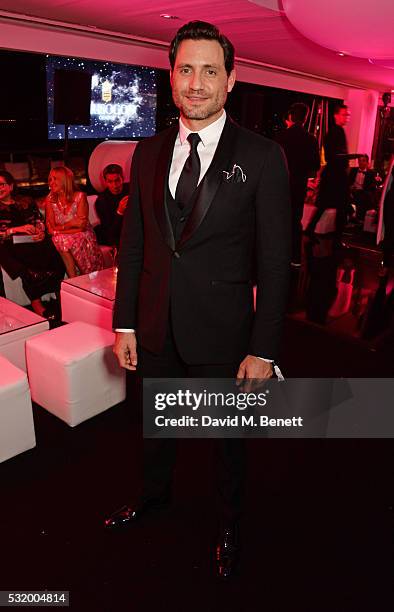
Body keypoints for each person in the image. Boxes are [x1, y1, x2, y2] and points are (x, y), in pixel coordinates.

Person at [105, 20, 291, 579]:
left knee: (227, 442)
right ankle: (154, 497)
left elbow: (276, 264)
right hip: (157, 327)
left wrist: (265, 348)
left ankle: (229, 522)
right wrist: (125, 324)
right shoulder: (147, 151)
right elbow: (134, 244)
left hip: (224, 336)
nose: (197, 82)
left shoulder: (261, 157)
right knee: (156, 426)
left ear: (231, 79)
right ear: (171, 75)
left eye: (211, 70)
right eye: (186, 69)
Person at [0, 170, 65, 317]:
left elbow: (38, 220)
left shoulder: (26, 201)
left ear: (10, 186)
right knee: (25, 265)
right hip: (10, 243)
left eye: (2, 184)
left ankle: (59, 295)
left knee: (53, 248)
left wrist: (40, 231)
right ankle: (38, 306)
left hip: (32, 239)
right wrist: (15, 229)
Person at [305, 104, 357, 241]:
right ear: (336, 115)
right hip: (335, 176)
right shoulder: (335, 132)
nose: (347, 117)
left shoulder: (336, 131)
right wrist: (351, 157)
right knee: (339, 206)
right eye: (344, 114)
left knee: (328, 205)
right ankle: (336, 239)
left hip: (333, 175)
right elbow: (332, 156)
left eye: (347, 115)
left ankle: (313, 231)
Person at [276, 102, 320, 265]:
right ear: (305, 119)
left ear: (290, 117)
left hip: (280, 185)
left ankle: (276, 256)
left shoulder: (281, 137)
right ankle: (294, 258)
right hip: (298, 185)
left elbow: (274, 164)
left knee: (278, 220)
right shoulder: (311, 140)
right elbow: (314, 167)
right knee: (295, 221)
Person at [45, 166, 104, 277]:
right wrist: (71, 224)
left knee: (61, 239)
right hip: (63, 237)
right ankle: (73, 279)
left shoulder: (80, 196)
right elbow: (50, 228)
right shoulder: (50, 199)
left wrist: (60, 229)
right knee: (60, 240)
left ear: (64, 180)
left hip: (83, 235)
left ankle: (84, 275)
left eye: (55, 179)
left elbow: (81, 226)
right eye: (50, 179)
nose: (51, 183)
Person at [94, 163, 129, 247]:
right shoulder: (102, 201)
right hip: (116, 234)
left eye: (117, 180)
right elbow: (110, 231)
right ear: (105, 182)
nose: (115, 185)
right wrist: (119, 212)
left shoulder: (131, 189)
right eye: (110, 181)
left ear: (122, 179)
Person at [349, 154, 381, 221]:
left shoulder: (371, 173)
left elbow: (372, 187)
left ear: (367, 162)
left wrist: (377, 181)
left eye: (363, 161)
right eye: (359, 161)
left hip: (363, 193)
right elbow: (348, 182)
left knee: (364, 196)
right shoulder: (353, 171)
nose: (361, 162)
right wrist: (350, 187)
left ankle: (358, 218)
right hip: (352, 191)